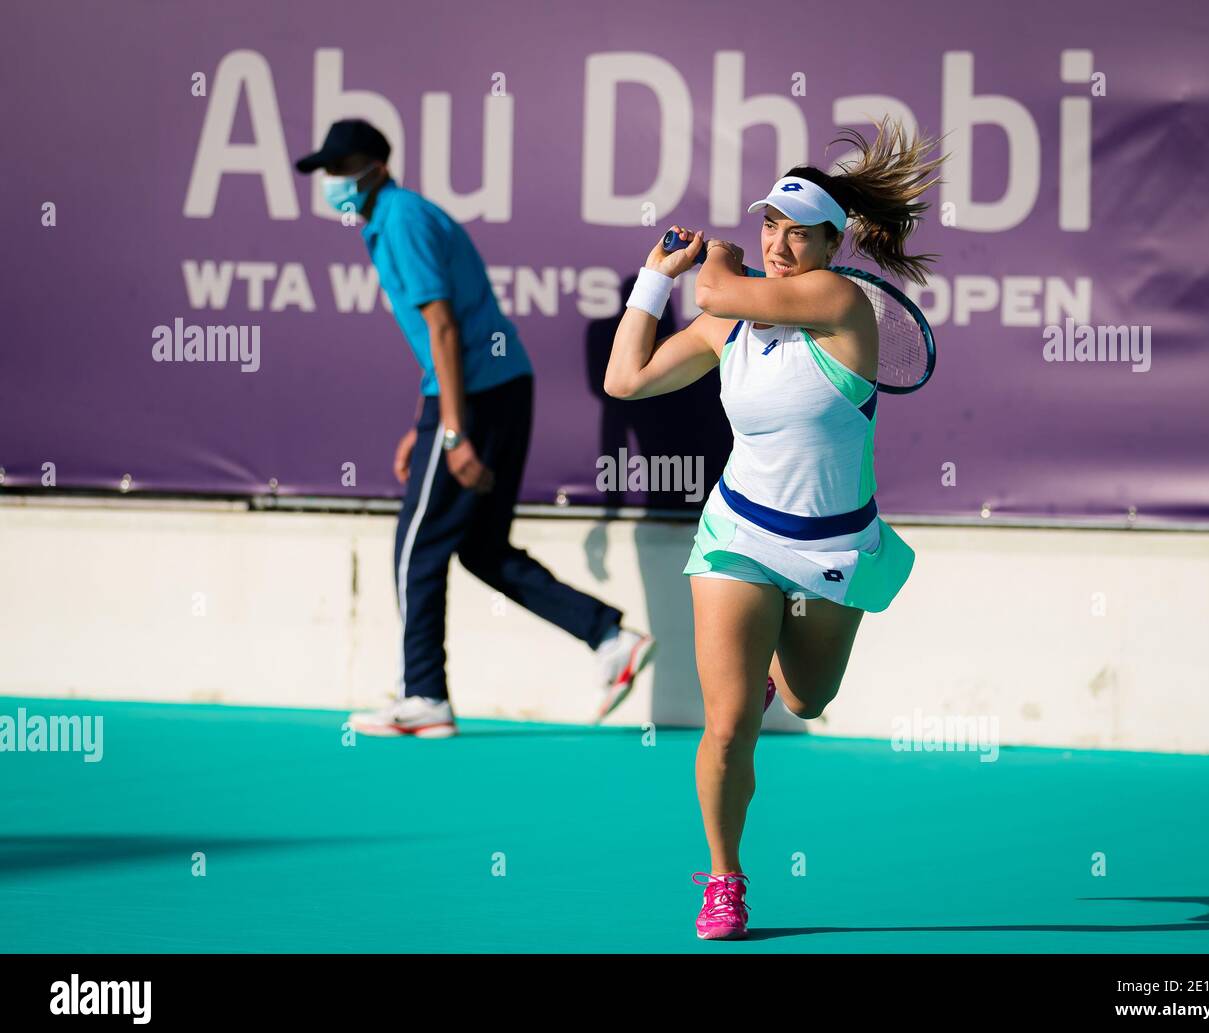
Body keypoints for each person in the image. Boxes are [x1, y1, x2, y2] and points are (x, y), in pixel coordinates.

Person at [603, 119, 945, 939]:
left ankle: (775, 677)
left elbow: (720, 288)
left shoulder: (841, 303)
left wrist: (714, 258)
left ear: (834, 243)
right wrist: (654, 281)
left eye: (798, 233)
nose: (780, 245)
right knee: (725, 729)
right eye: (768, 226)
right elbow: (626, 379)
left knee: (810, 700)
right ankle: (725, 878)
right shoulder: (726, 329)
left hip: (833, 547)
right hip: (737, 536)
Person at [295, 119, 654, 739]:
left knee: (416, 550)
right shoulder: (393, 218)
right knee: (481, 548)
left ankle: (425, 696)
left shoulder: (401, 219)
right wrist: (424, 421)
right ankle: (608, 635)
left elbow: (444, 329)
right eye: (327, 169)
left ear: (376, 167)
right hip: (496, 389)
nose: (333, 181)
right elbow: (437, 335)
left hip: (480, 398)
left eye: (342, 167)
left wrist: (452, 432)